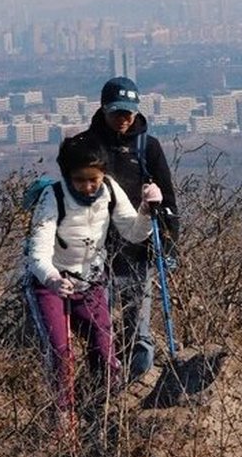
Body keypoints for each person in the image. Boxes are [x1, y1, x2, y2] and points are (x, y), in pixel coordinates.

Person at [24, 134, 161, 410]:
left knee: (104, 350)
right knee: (61, 354)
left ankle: (102, 407)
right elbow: (37, 252)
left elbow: (132, 233)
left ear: (103, 174)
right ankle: (62, 418)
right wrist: (51, 277)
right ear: (67, 175)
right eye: (79, 179)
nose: (87, 187)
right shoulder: (53, 198)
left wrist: (146, 211)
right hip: (50, 284)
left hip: (91, 283)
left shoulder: (110, 190)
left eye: (93, 179)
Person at [74, 76, 179, 381]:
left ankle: (133, 385)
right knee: (98, 324)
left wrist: (171, 245)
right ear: (103, 109)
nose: (123, 119)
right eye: (117, 112)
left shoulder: (148, 147)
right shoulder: (84, 146)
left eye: (128, 112)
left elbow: (169, 201)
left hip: (139, 249)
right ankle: (101, 381)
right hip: (94, 249)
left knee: (138, 327)